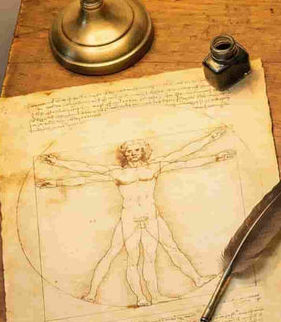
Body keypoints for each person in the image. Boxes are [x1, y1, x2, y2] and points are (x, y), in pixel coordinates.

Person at [37, 127, 235, 306]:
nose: (132, 154)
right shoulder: (116, 172)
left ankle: (170, 290)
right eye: (129, 151)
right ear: (124, 154)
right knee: (127, 257)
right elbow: (86, 173)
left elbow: (184, 157)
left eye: (136, 150)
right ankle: (107, 295)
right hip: (130, 217)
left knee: (159, 253)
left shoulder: (155, 166)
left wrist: (214, 149)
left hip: (151, 215)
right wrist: (56, 172)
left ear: (143, 151)